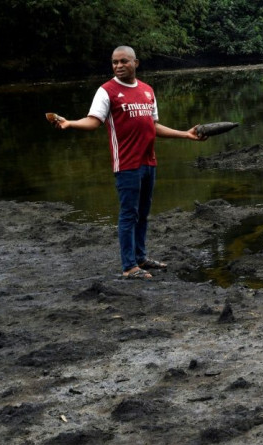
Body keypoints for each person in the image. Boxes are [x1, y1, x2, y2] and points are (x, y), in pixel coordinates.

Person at [53, 45, 207, 279]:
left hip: (149, 162)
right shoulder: (107, 91)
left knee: (143, 212)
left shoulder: (147, 90)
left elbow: (153, 127)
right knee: (128, 214)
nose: (118, 66)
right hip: (126, 164)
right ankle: (128, 266)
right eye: (115, 62)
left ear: (136, 63)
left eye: (124, 61)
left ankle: (141, 257)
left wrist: (186, 134)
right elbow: (93, 121)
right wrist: (70, 123)